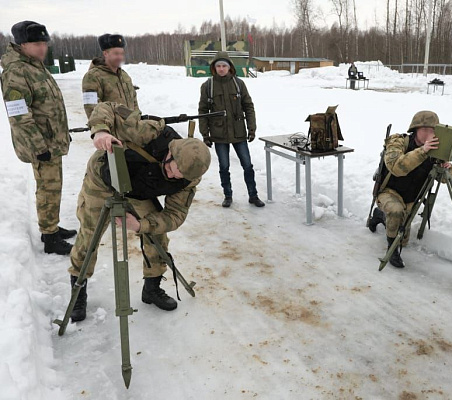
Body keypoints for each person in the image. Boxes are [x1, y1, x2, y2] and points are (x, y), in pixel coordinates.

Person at [67, 102, 210, 322]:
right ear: (170, 153)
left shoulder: (188, 178)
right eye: (172, 169)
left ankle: (151, 287)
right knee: (89, 235)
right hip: (102, 179)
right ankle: (78, 291)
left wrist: (140, 225)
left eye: (180, 177)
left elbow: (174, 215)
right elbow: (108, 107)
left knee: (157, 236)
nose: (173, 177)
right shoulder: (149, 132)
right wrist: (101, 131)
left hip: (137, 189)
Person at [1, 20, 75, 255]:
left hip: (51, 141)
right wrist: (39, 146)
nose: (43, 48)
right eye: (37, 44)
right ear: (22, 45)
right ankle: (50, 236)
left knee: (53, 186)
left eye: (44, 43)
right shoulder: (16, 71)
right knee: (48, 187)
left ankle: (50, 226)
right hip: (41, 144)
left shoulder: (34, 65)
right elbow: (19, 115)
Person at [369, 111, 452, 268]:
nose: (430, 134)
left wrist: (448, 168)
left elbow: (445, 178)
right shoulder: (398, 141)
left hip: (410, 198)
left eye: (433, 130)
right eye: (425, 130)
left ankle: (380, 216)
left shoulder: (434, 150)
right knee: (395, 212)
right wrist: (422, 151)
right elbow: (397, 167)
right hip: (389, 192)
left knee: (403, 239)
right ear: (416, 129)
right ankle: (392, 249)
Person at [197, 51, 264, 208]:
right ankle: (228, 195)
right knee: (224, 167)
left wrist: (252, 128)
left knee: (247, 165)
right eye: (218, 66)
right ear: (214, 68)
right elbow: (203, 111)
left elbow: (248, 106)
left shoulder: (238, 84)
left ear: (229, 67)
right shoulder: (208, 86)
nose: (221, 69)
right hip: (219, 134)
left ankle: (253, 195)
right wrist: (205, 134)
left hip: (239, 132)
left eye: (224, 66)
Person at [82, 33, 139, 119]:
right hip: (110, 130)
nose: (120, 57)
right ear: (105, 53)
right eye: (116, 54)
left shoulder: (124, 76)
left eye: (122, 54)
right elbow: (92, 108)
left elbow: (134, 102)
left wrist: (137, 121)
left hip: (131, 129)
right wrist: (103, 130)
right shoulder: (93, 77)